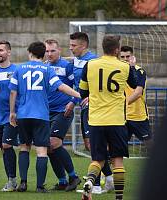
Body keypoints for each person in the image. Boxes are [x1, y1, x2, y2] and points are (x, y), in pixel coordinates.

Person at [9, 41, 80, 193]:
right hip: (41, 115)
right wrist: (79, 95)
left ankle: (23, 183)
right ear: (43, 54)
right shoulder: (47, 69)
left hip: (24, 114)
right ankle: (41, 186)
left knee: (24, 147)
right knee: (42, 150)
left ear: (29, 52)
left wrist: (12, 112)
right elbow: (61, 86)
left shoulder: (19, 68)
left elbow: (13, 92)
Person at [79, 35, 137, 200]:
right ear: (117, 50)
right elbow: (133, 84)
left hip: (96, 120)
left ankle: (90, 181)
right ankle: (119, 197)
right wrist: (131, 66)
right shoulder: (124, 67)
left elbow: (83, 91)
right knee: (117, 160)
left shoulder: (90, 65)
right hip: (117, 120)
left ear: (102, 48)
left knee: (98, 159)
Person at [70, 32, 114, 194]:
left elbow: (98, 84)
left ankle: (95, 185)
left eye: (74, 45)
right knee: (90, 145)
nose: (70, 48)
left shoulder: (93, 61)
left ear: (83, 46)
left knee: (95, 145)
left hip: (93, 108)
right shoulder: (76, 61)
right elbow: (78, 85)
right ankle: (109, 178)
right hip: (83, 107)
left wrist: (91, 97)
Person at [44, 39, 81, 192]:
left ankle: (73, 176)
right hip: (46, 112)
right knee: (48, 148)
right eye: (47, 51)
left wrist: (73, 102)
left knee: (53, 142)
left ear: (59, 51)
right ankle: (62, 181)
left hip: (63, 110)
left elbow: (79, 86)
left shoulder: (67, 66)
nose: (49, 53)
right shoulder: (44, 67)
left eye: (52, 50)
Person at [0, 40, 18, 192]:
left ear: (9, 52)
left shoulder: (17, 70)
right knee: (3, 148)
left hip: (12, 116)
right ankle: (11, 180)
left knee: (7, 145)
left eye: (1, 50)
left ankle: (13, 180)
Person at [120, 46, 152, 149]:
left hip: (139, 116)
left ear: (132, 57)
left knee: (150, 145)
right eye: (122, 57)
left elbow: (138, 93)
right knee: (116, 145)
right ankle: (111, 165)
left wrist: (122, 104)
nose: (125, 59)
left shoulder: (139, 71)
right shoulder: (117, 72)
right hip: (122, 117)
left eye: (127, 56)